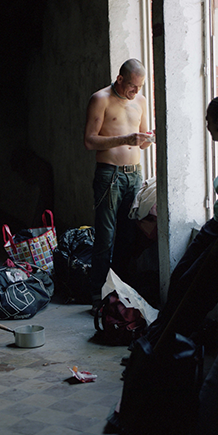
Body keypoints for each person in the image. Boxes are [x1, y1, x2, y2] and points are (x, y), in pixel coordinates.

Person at [145, 94, 218, 346]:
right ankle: (154, 341)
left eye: (208, 121)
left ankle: (168, 347)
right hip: (215, 226)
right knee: (179, 280)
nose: (206, 126)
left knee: (195, 290)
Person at [84, 59, 155, 311]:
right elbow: (90, 141)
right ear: (120, 79)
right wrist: (126, 138)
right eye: (132, 87)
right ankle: (98, 294)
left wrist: (148, 139)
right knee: (105, 236)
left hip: (134, 173)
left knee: (128, 236)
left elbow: (143, 140)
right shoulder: (100, 99)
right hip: (109, 175)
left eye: (140, 87)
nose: (136, 92)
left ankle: (120, 290)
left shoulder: (141, 101)